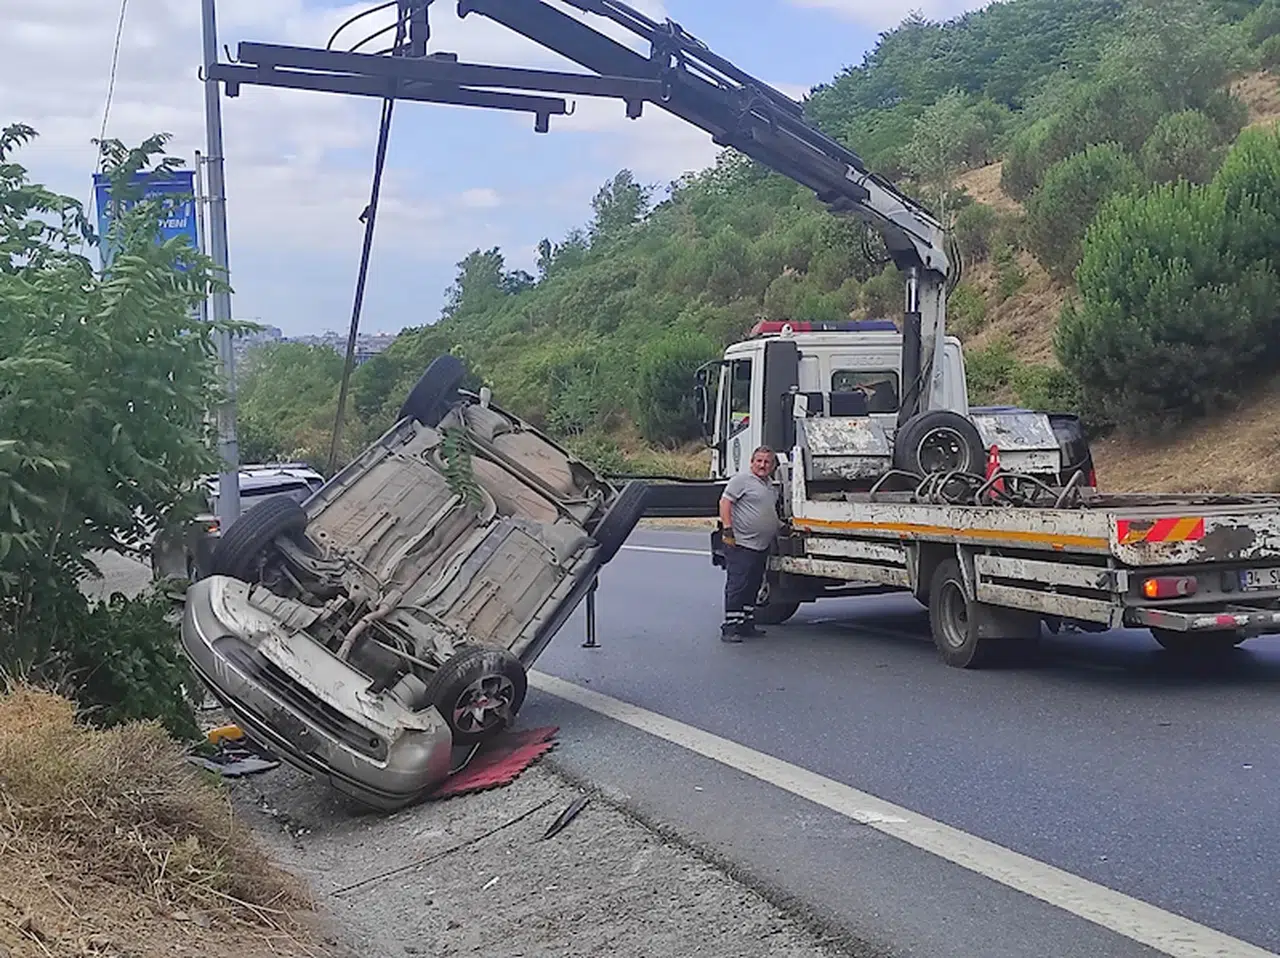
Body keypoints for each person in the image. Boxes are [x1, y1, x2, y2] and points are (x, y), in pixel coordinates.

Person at [718, 445, 781, 642]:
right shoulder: (741, 480)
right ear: (751, 462)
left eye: (767, 462)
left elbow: (767, 512)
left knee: (752, 585)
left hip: (760, 546)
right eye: (759, 461)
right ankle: (730, 627)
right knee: (738, 584)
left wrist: (781, 526)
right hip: (741, 544)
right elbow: (725, 502)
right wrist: (727, 529)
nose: (763, 465)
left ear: (772, 466)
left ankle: (746, 623)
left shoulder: (770, 485)